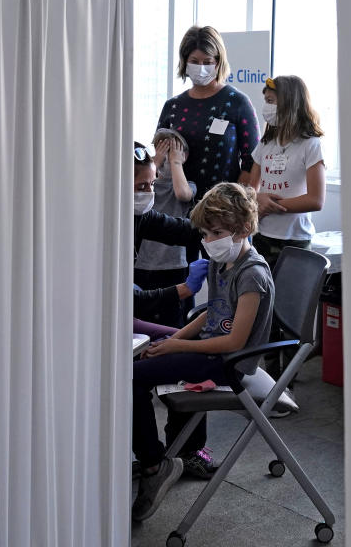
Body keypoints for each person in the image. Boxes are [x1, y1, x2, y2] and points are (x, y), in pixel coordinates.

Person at [131, 182, 275, 522]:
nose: (208, 241)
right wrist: (171, 340)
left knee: (131, 377)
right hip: (209, 352)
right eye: (205, 233)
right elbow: (214, 312)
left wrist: (178, 344)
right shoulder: (221, 260)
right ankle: (163, 455)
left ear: (243, 229)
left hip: (228, 363)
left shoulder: (252, 274)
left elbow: (233, 342)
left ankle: (155, 465)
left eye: (216, 232)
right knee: (141, 359)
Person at [155, 26, 259, 200]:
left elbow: (253, 163)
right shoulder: (172, 106)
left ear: (218, 62)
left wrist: (235, 205)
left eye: (207, 62)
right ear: (184, 61)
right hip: (175, 209)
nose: (201, 67)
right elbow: (161, 162)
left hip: (222, 211)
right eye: (194, 61)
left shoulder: (237, 103)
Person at [249, 75, 326, 270]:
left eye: (270, 101)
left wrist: (269, 204)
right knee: (262, 297)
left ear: (290, 103)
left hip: (295, 241)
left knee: (291, 298)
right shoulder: (265, 144)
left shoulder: (311, 145)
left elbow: (315, 200)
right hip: (262, 236)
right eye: (266, 101)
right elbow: (250, 189)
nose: (266, 107)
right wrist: (257, 198)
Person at [134, 129, 198, 327]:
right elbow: (135, 301)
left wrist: (220, 226)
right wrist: (184, 290)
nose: (149, 192)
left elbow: (179, 229)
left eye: (152, 184)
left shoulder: (142, 216)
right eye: (142, 186)